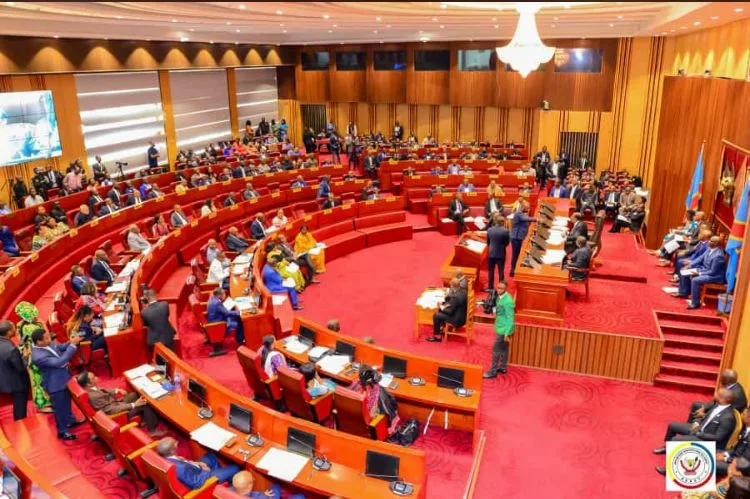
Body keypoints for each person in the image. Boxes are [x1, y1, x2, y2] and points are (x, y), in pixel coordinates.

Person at [654, 387, 738, 460]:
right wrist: (696, 422)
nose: (715, 393)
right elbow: (705, 417)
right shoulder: (717, 405)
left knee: (675, 440)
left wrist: (698, 434)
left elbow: (718, 437)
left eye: (717, 393)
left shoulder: (728, 418)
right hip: (699, 428)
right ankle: (667, 447)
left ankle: (669, 467)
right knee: (672, 426)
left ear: (723, 399)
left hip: (707, 439)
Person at [30, 328, 84, 440]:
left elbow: (61, 347)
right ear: (39, 342)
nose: (50, 339)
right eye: (46, 338)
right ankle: (62, 431)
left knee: (67, 403)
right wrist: (73, 346)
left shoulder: (48, 343)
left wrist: (71, 340)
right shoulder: (38, 356)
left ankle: (70, 421)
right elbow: (60, 362)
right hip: (55, 384)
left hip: (64, 379)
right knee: (59, 408)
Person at [77, 371, 165, 437]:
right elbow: (111, 410)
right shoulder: (93, 396)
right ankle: (152, 431)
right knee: (145, 405)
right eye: (93, 378)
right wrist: (134, 404)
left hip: (116, 403)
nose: (96, 378)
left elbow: (102, 390)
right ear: (88, 384)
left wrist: (116, 390)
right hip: (118, 414)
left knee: (135, 395)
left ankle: (145, 418)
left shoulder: (90, 389)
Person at [156, 437, 239, 490]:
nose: (177, 443)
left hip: (193, 469)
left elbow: (184, 465)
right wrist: (205, 470)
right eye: (175, 444)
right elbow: (197, 483)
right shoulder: (180, 468)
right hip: (201, 479)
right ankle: (226, 485)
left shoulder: (165, 457)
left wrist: (194, 462)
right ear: (171, 451)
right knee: (235, 467)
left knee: (211, 456)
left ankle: (219, 475)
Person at [674, 236, 727, 309]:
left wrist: (699, 273)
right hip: (704, 270)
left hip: (715, 276)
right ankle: (683, 292)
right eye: (710, 240)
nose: (709, 242)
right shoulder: (709, 249)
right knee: (684, 271)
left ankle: (695, 303)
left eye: (712, 241)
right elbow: (700, 259)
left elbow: (713, 272)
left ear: (717, 244)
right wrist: (689, 266)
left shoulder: (718, 255)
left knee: (695, 280)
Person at [348, 365, 401, 435]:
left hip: (353, 419)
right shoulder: (378, 390)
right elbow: (391, 407)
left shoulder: (355, 385)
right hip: (370, 423)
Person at [0, 320, 30, 421]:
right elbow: (20, 368)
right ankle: (21, 424)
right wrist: (25, 357)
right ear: (8, 332)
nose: (15, 330)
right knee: (20, 407)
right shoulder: (11, 349)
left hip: (4, 380)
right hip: (17, 383)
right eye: (14, 328)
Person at [484, 280, 515, 378]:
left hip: (504, 329)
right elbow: (497, 307)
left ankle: (492, 372)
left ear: (505, 289)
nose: (499, 290)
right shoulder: (499, 297)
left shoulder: (508, 301)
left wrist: (506, 333)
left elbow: (510, 319)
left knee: (496, 350)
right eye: (498, 287)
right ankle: (502, 367)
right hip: (500, 325)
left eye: (501, 288)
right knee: (504, 349)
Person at [427, 278, 467, 342]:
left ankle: (437, 337)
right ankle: (443, 329)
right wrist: (446, 304)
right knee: (441, 311)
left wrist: (441, 307)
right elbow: (455, 303)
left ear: (452, 286)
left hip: (457, 320)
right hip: (463, 317)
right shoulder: (464, 291)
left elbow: (450, 312)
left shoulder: (455, 297)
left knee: (436, 315)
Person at [231, 470, 305, 498]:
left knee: (276, 485)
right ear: (249, 486)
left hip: (263, 496)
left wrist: (263, 494)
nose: (254, 479)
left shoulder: (230, 490)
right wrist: (264, 496)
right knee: (300, 496)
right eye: (252, 479)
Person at [509, 203, 536, 277]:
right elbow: (525, 219)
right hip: (516, 237)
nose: (528, 210)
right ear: (523, 207)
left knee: (517, 254)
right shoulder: (518, 213)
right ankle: (512, 270)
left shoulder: (521, 213)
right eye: (527, 208)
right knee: (515, 254)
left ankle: (514, 269)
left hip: (519, 237)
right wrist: (536, 219)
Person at [486, 213, 510, 289]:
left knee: (491, 271)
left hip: (491, 253)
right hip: (501, 253)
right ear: (502, 222)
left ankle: (490, 287)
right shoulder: (505, 231)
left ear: (496, 221)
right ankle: (501, 287)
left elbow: (488, 242)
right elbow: (507, 243)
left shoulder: (489, 230)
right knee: (501, 271)